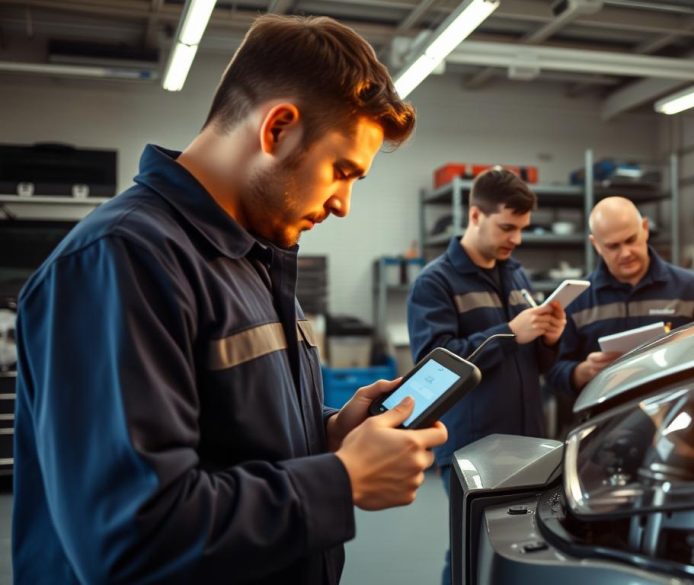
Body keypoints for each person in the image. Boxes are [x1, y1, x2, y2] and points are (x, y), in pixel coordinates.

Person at [13, 15, 446, 584]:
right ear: (279, 129)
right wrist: (340, 480)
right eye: (342, 172)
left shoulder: (255, 255)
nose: (343, 203)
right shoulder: (120, 261)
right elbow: (128, 538)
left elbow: (220, 434)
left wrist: (326, 434)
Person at [406, 168, 566, 584]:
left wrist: (549, 337)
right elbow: (433, 370)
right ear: (475, 215)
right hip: (473, 447)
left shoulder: (515, 273)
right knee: (471, 549)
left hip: (527, 439)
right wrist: (510, 333)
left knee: (520, 547)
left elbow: (537, 360)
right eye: (507, 227)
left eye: (522, 229)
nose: (516, 239)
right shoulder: (435, 282)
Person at [548, 196, 694, 394]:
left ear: (645, 228)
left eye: (631, 240)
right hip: (608, 415)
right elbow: (553, 373)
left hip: (674, 409)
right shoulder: (577, 299)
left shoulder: (691, 288)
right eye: (613, 246)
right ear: (596, 244)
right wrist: (584, 371)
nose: (626, 253)